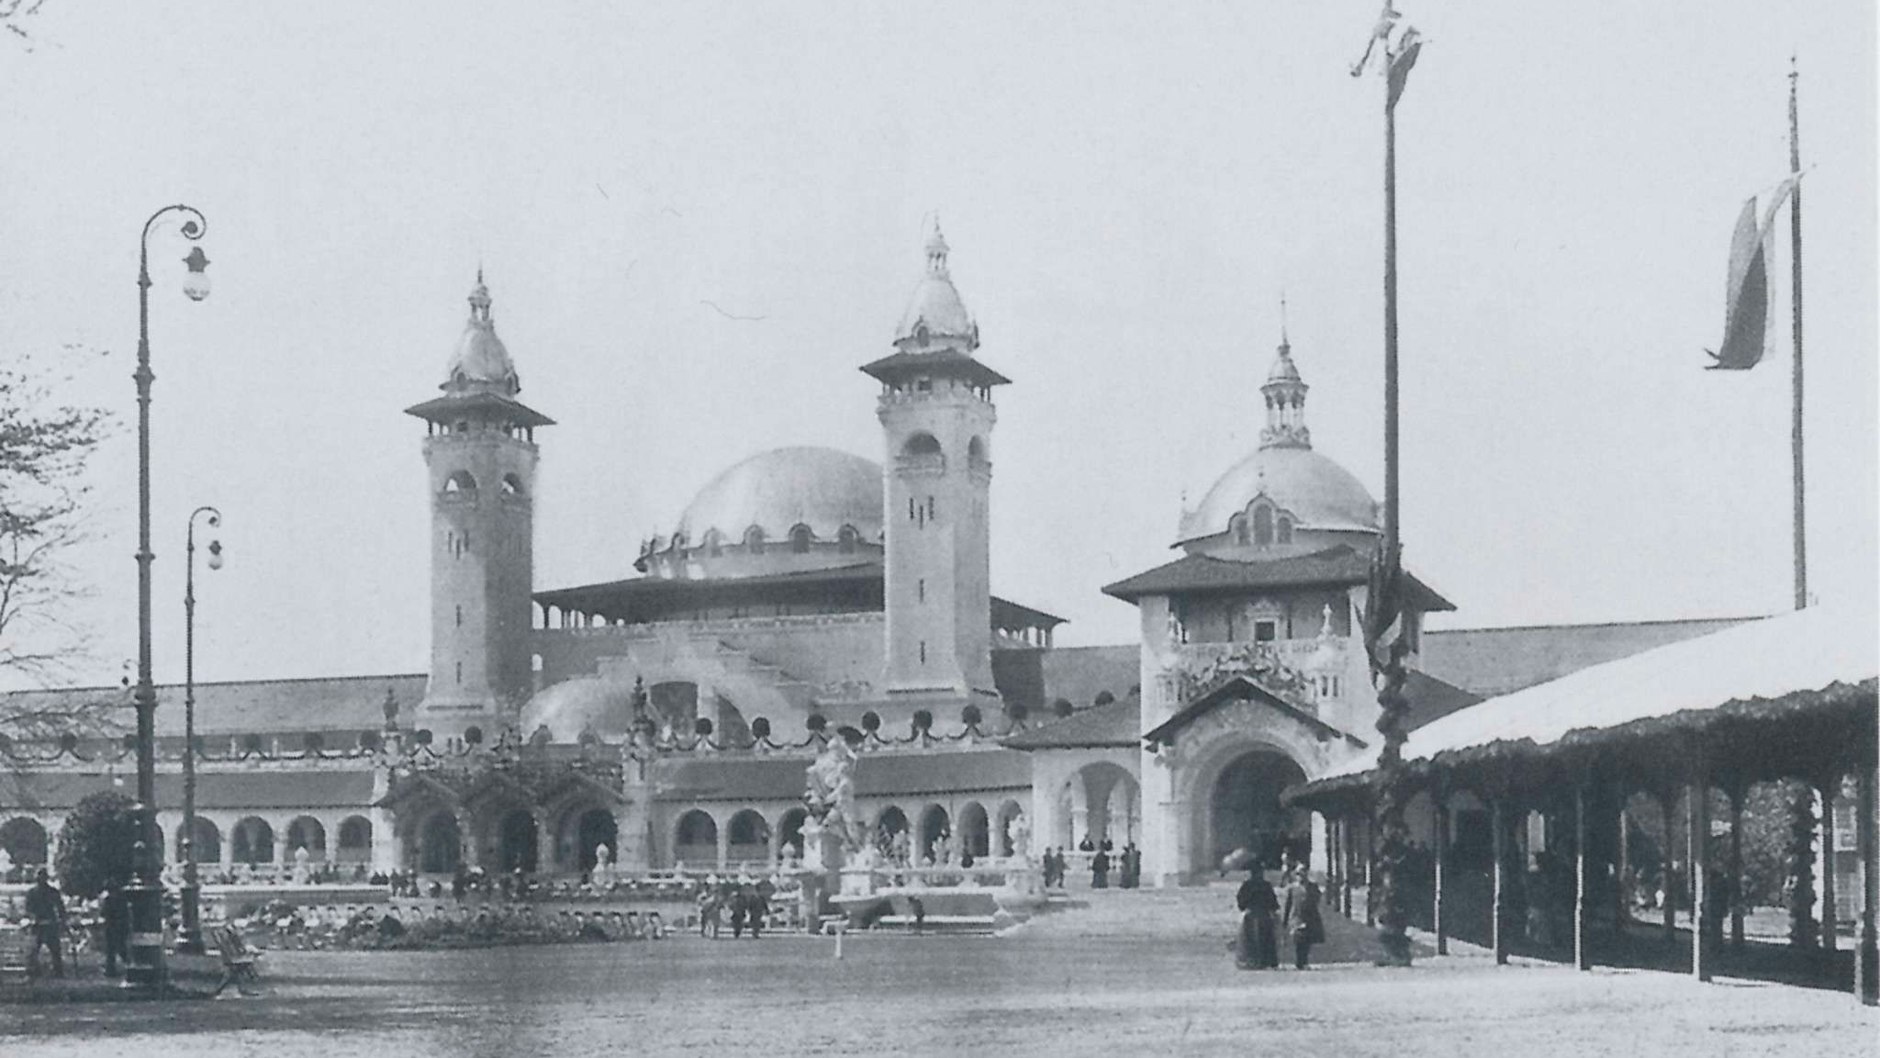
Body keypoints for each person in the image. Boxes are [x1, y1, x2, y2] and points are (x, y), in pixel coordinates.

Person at [1234, 867, 1280, 970]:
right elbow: (1273, 902)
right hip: (1258, 915)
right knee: (1257, 939)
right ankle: (1259, 961)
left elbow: (1241, 900)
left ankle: (1257, 961)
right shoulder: (1260, 885)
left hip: (1256, 914)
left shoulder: (1251, 885)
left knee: (1256, 939)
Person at [23, 868, 66, 979]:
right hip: (37, 924)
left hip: (50, 923)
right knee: (33, 950)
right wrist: (33, 917)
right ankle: (33, 970)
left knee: (55, 950)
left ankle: (58, 971)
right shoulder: (32, 893)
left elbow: (60, 907)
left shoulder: (52, 892)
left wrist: (62, 920)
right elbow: (28, 908)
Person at [1281, 862, 1324, 970]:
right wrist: (1285, 921)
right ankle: (1300, 961)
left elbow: (1317, 899)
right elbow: (1287, 905)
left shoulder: (1313, 887)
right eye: (1298, 874)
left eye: (1302, 873)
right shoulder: (1292, 888)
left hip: (1310, 916)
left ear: (1306, 874)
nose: (1300, 876)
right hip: (1297, 916)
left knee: (1307, 940)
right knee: (1298, 939)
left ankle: (1303, 961)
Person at [99, 880, 131, 977]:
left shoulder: (109, 900)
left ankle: (112, 969)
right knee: (119, 948)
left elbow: (103, 913)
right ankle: (118, 967)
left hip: (112, 926)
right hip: (120, 926)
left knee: (112, 949)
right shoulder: (123, 899)